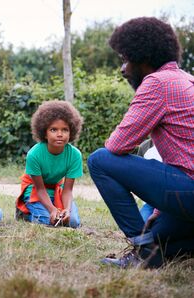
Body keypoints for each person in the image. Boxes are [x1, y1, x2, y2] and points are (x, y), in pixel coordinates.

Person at [87, 17, 194, 268]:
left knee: (100, 160)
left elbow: (117, 146)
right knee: (162, 241)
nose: (123, 69)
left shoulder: (157, 83)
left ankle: (141, 249)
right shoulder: (187, 80)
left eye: (125, 59)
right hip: (186, 187)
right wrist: (159, 210)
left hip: (189, 189)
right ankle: (155, 250)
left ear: (143, 57)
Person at [16, 100, 83, 228]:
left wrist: (67, 210)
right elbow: (40, 189)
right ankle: (24, 213)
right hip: (36, 190)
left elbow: (68, 190)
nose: (59, 134)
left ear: (71, 132)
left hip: (57, 190)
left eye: (65, 130)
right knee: (50, 221)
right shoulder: (34, 154)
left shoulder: (75, 155)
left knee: (72, 222)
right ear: (44, 133)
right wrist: (52, 209)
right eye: (53, 130)